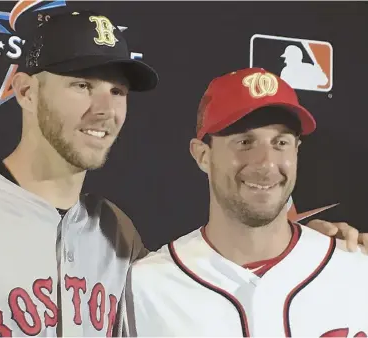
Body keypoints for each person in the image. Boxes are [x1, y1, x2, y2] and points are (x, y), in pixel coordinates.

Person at [0, 10, 366, 337]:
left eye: (117, 90)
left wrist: (310, 243)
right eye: (81, 85)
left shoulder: (115, 234)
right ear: (26, 91)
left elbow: (203, 280)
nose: (104, 109)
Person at [123, 68, 368, 337]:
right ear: (203, 156)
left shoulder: (356, 271)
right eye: (244, 141)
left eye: (281, 142)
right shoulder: (146, 288)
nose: (266, 163)